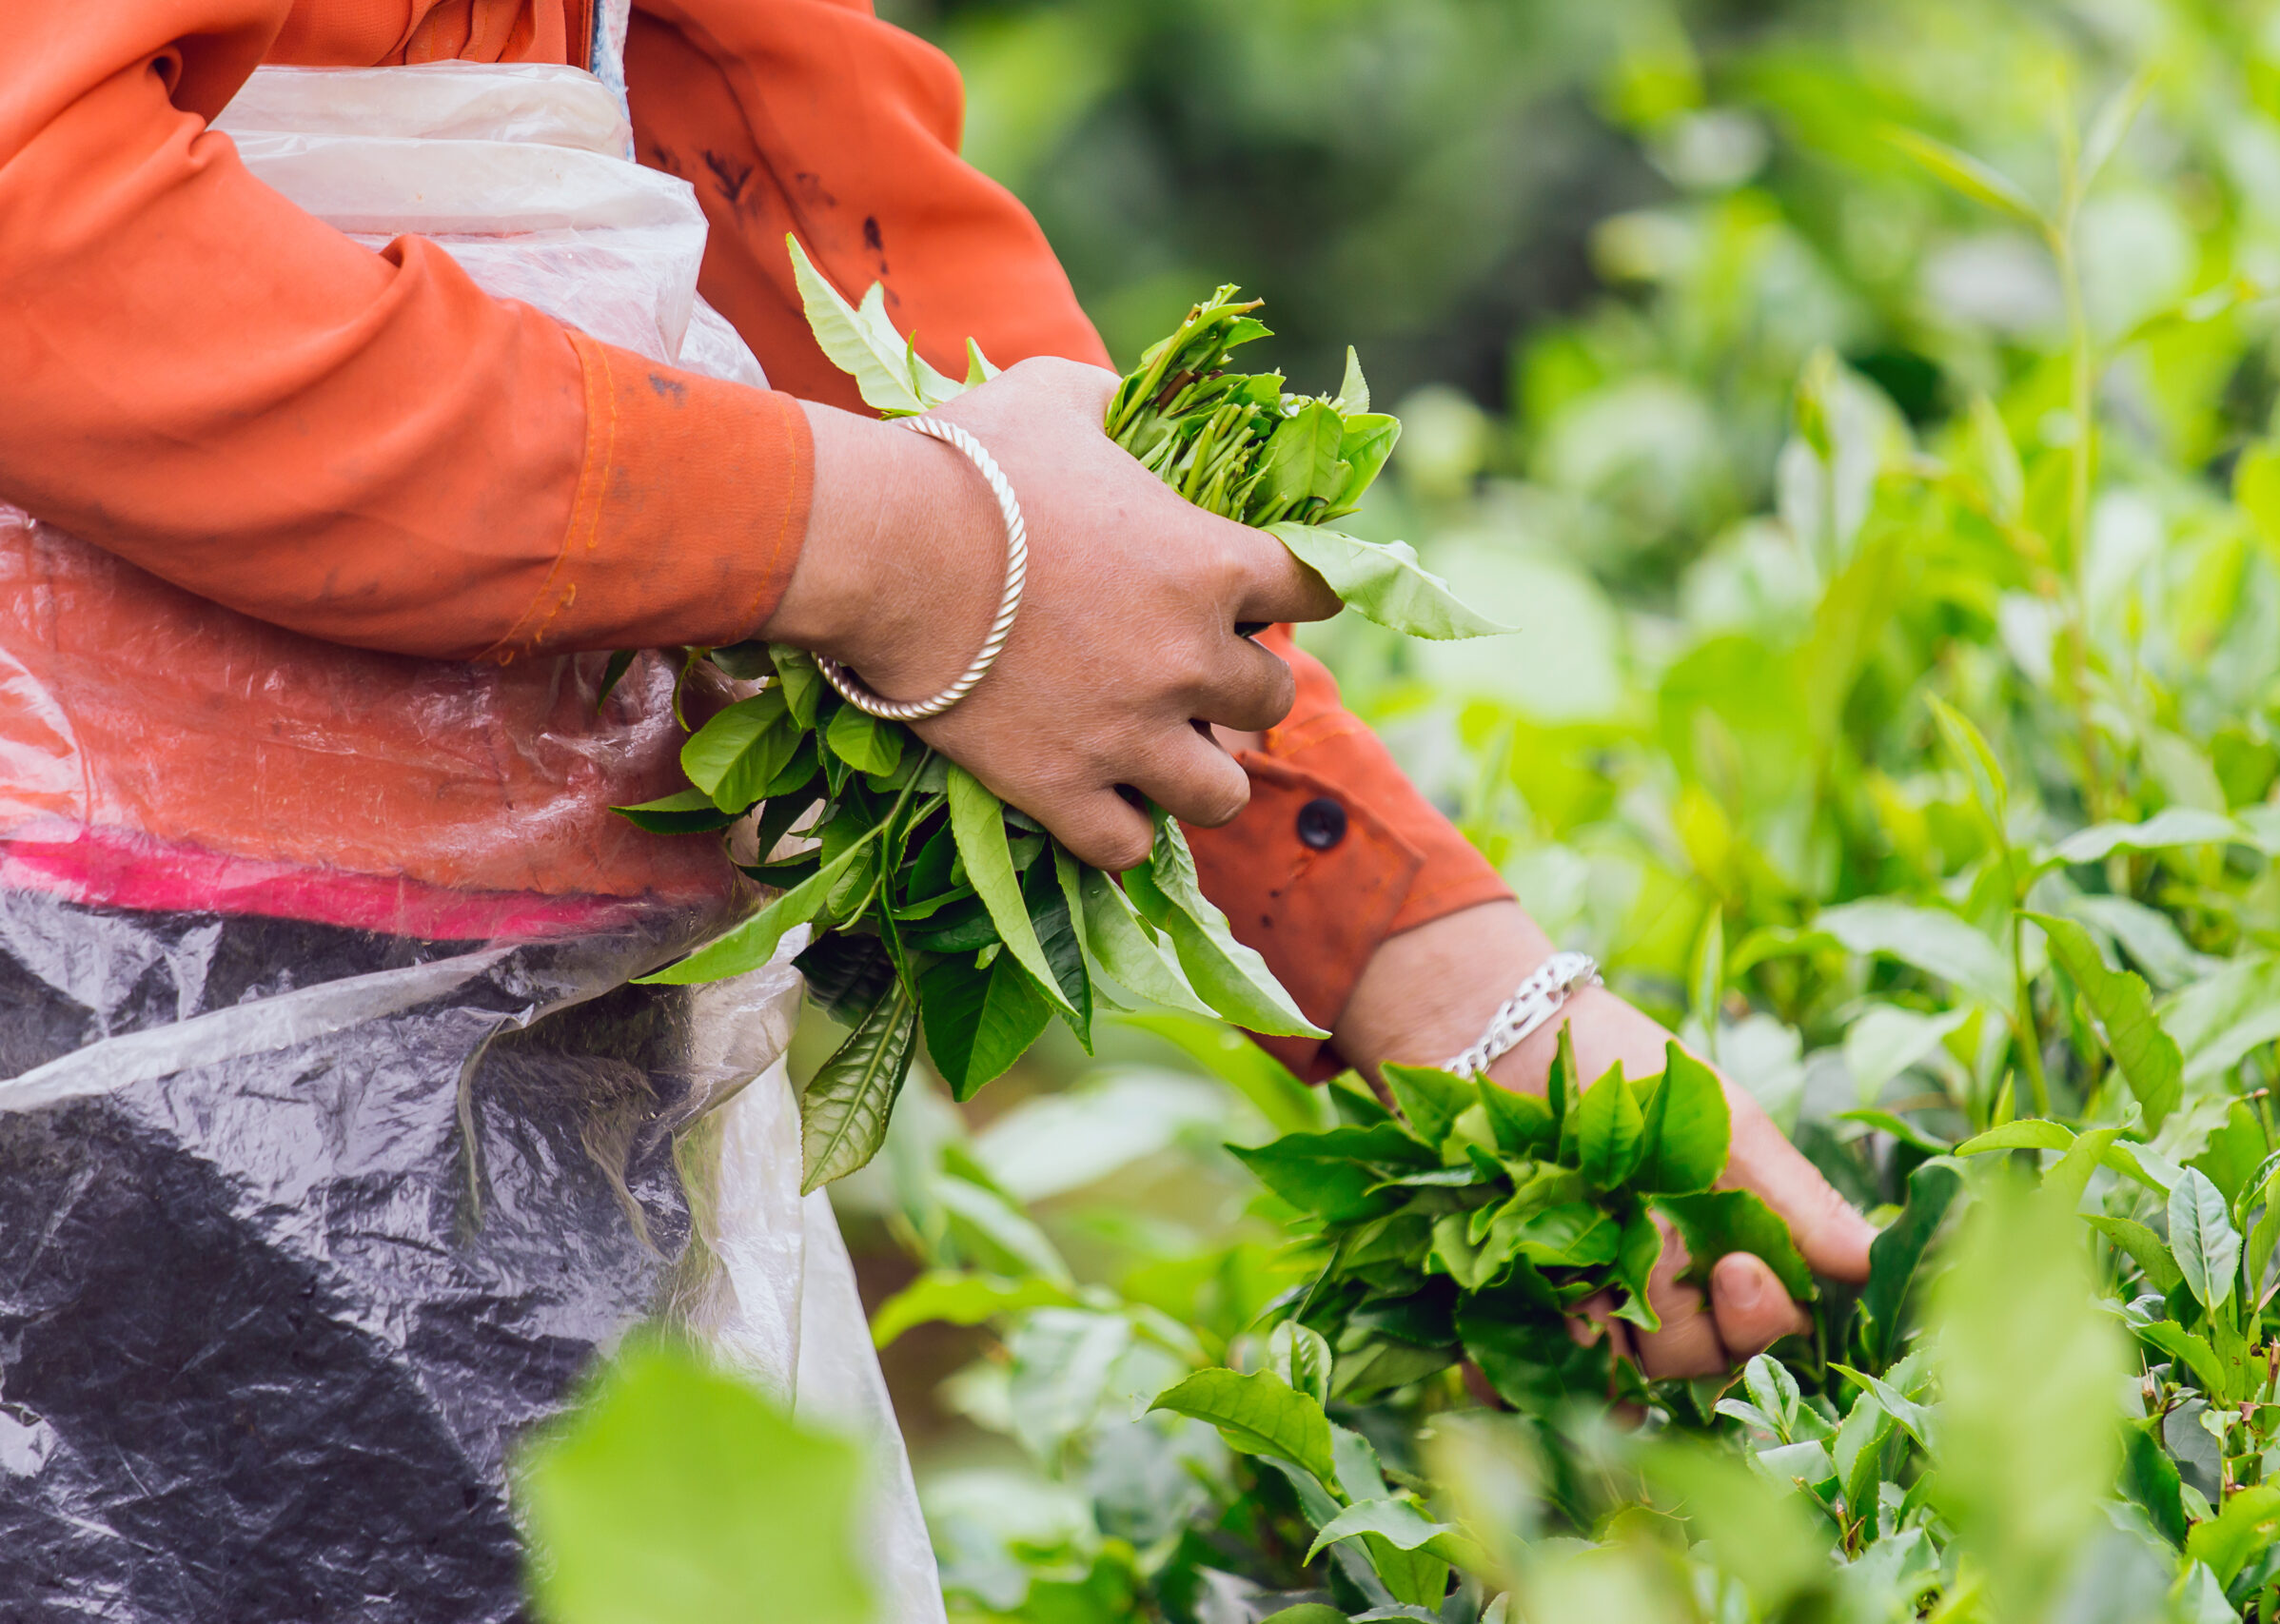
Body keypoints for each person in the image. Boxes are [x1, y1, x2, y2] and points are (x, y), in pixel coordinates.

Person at [0, 0, 1874, 1611]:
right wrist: (891, 543)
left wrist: (1422, 958)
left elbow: (778, 153)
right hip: (88, 1052)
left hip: (481, 1070)